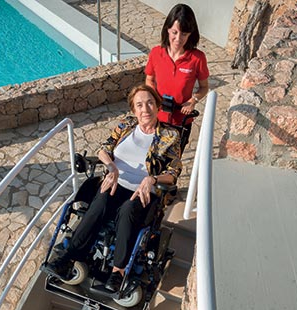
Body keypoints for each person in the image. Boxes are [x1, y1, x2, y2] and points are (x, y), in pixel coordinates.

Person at [46, 84, 182, 292]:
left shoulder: (170, 135)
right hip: (115, 182)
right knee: (100, 200)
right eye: (139, 105)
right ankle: (70, 257)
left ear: (157, 106)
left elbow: (173, 172)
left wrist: (152, 180)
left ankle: (118, 271)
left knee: (128, 209)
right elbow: (103, 149)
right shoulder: (126, 125)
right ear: (134, 110)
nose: (145, 109)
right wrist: (111, 167)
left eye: (149, 103)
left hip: (142, 191)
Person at [145, 4, 209, 126]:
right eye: (174, 32)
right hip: (157, 116)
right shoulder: (156, 53)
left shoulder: (198, 58)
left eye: (184, 34)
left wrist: (193, 101)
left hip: (182, 120)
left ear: (190, 34)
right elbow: (149, 80)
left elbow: (204, 87)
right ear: (167, 29)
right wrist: (154, 99)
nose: (178, 38)